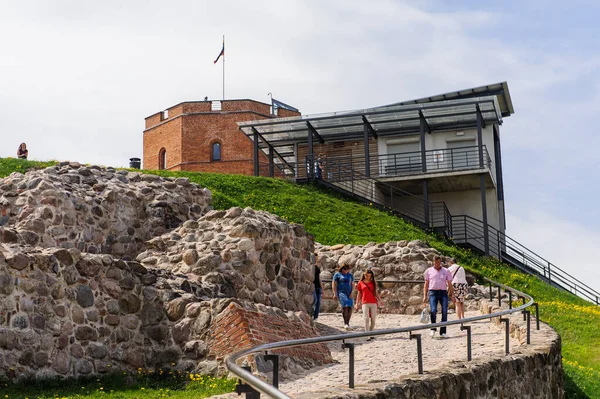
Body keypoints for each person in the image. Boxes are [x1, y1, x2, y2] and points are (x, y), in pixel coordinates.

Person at [423, 255, 454, 338]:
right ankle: (433, 328)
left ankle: (443, 332)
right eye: (436, 262)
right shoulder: (429, 271)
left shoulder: (446, 271)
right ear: (433, 262)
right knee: (433, 310)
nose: (437, 264)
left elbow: (450, 283)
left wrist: (452, 294)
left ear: (441, 262)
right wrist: (425, 296)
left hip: (443, 292)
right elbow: (426, 284)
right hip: (433, 292)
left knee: (444, 311)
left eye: (439, 262)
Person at [355, 269, 382, 340]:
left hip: (373, 302)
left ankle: (371, 332)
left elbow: (375, 292)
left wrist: (380, 300)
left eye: (369, 276)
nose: (368, 277)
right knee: (366, 319)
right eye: (367, 276)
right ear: (364, 275)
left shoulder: (373, 282)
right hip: (365, 303)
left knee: (373, 320)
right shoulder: (360, 282)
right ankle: (368, 335)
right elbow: (359, 294)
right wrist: (357, 303)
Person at [332, 264, 355, 330]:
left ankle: (348, 323)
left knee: (350, 306)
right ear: (342, 269)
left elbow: (353, 284)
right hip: (341, 292)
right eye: (345, 269)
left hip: (349, 292)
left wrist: (352, 292)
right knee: (345, 305)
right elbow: (334, 284)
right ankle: (345, 323)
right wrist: (335, 293)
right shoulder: (337, 275)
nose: (346, 270)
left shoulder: (350, 275)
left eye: (347, 269)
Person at [312, 256, 324, 322]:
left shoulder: (317, 268)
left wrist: (322, 288)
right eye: (315, 259)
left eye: (317, 259)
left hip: (318, 287)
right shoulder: (311, 267)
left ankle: (315, 317)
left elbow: (319, 278)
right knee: (315, 300)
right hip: (313, 286)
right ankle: (312, 315)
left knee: (318, 302)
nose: (316, 260)